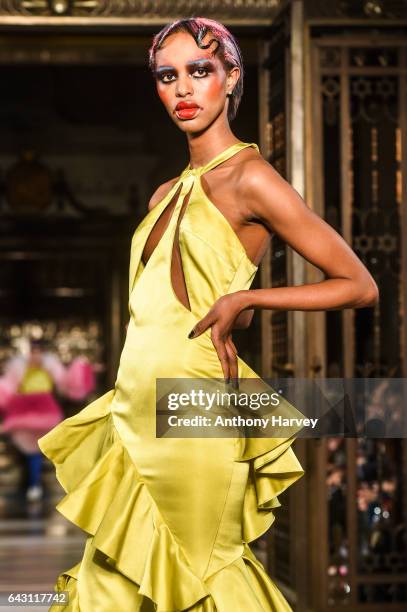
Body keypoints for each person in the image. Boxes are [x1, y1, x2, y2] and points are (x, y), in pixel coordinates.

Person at [38, 17, 379, 611]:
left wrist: (247, 298)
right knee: (113, 583)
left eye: (200, 71)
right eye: (168, 76)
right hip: (134, 407)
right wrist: (227, 304)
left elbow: (358, 284)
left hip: (196, 405)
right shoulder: (165, 191)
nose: (184, 90)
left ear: (231, 78)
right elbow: (181, 298)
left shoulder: (252, 177)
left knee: (200, 576)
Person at [0, 339, 96, 502]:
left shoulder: (51, 368)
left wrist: (79, 368)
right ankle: (32, 483)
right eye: (33, 352)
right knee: (27, 450)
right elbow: (8, 389)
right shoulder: (19, 369)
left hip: (44, 412)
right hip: (23, 412)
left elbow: (66, 384)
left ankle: (35, 483)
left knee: (35, 450)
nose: (35, 356)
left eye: (38, 352)